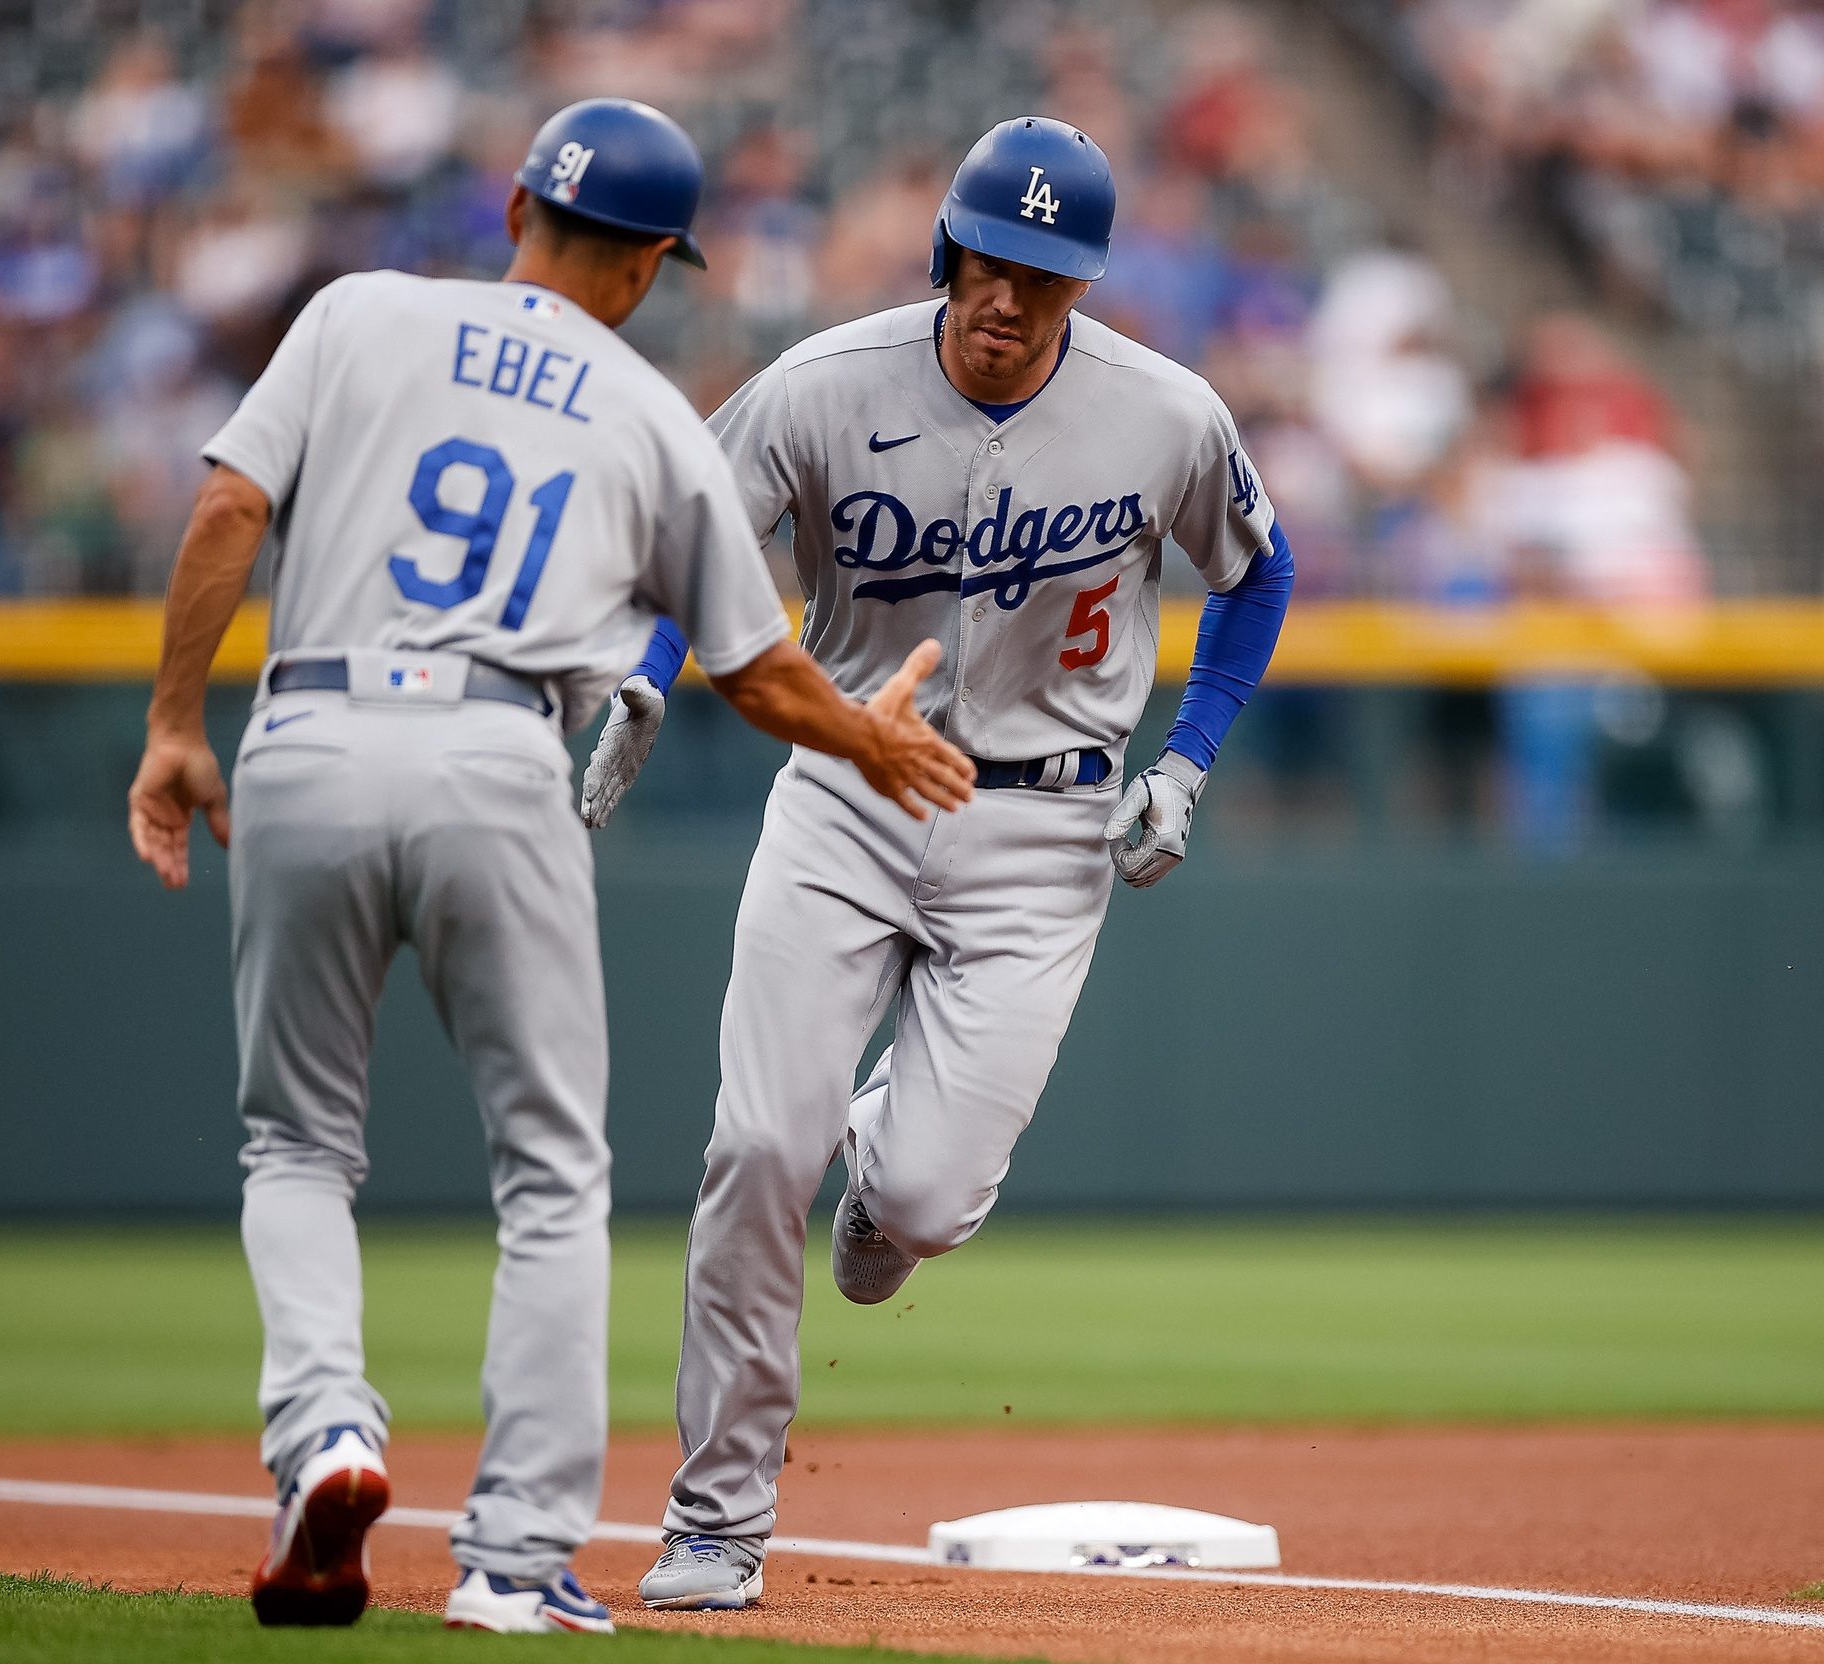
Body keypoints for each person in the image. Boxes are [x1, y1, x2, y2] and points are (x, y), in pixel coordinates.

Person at [124, 97, 972, 1636]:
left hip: (304, 733)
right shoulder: (649, 414)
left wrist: (175, 724)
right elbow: (761, 670)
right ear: (654, 266)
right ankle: (513, 1561)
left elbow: (227, 505)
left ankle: (322, 1431)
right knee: (549, 1173)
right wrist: (870, 742)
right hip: (497, 752)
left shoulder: (356, 312)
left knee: (298, 1148)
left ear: (515, 204)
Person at [579, 116, 1295, 1611]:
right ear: (947, 252)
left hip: (1044, 831)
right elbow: (693, 538)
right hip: (844, 793)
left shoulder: (1161, 413)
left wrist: (1186, 758)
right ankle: (716, 1517)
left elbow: (1257, 569)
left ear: (1082, 287)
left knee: (912, 1210)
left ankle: (886, 1164)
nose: (1008, 297)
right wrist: (648, 674)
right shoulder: (823, 384)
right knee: (756, 1149)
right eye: (990, 260)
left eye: (1045, 275)